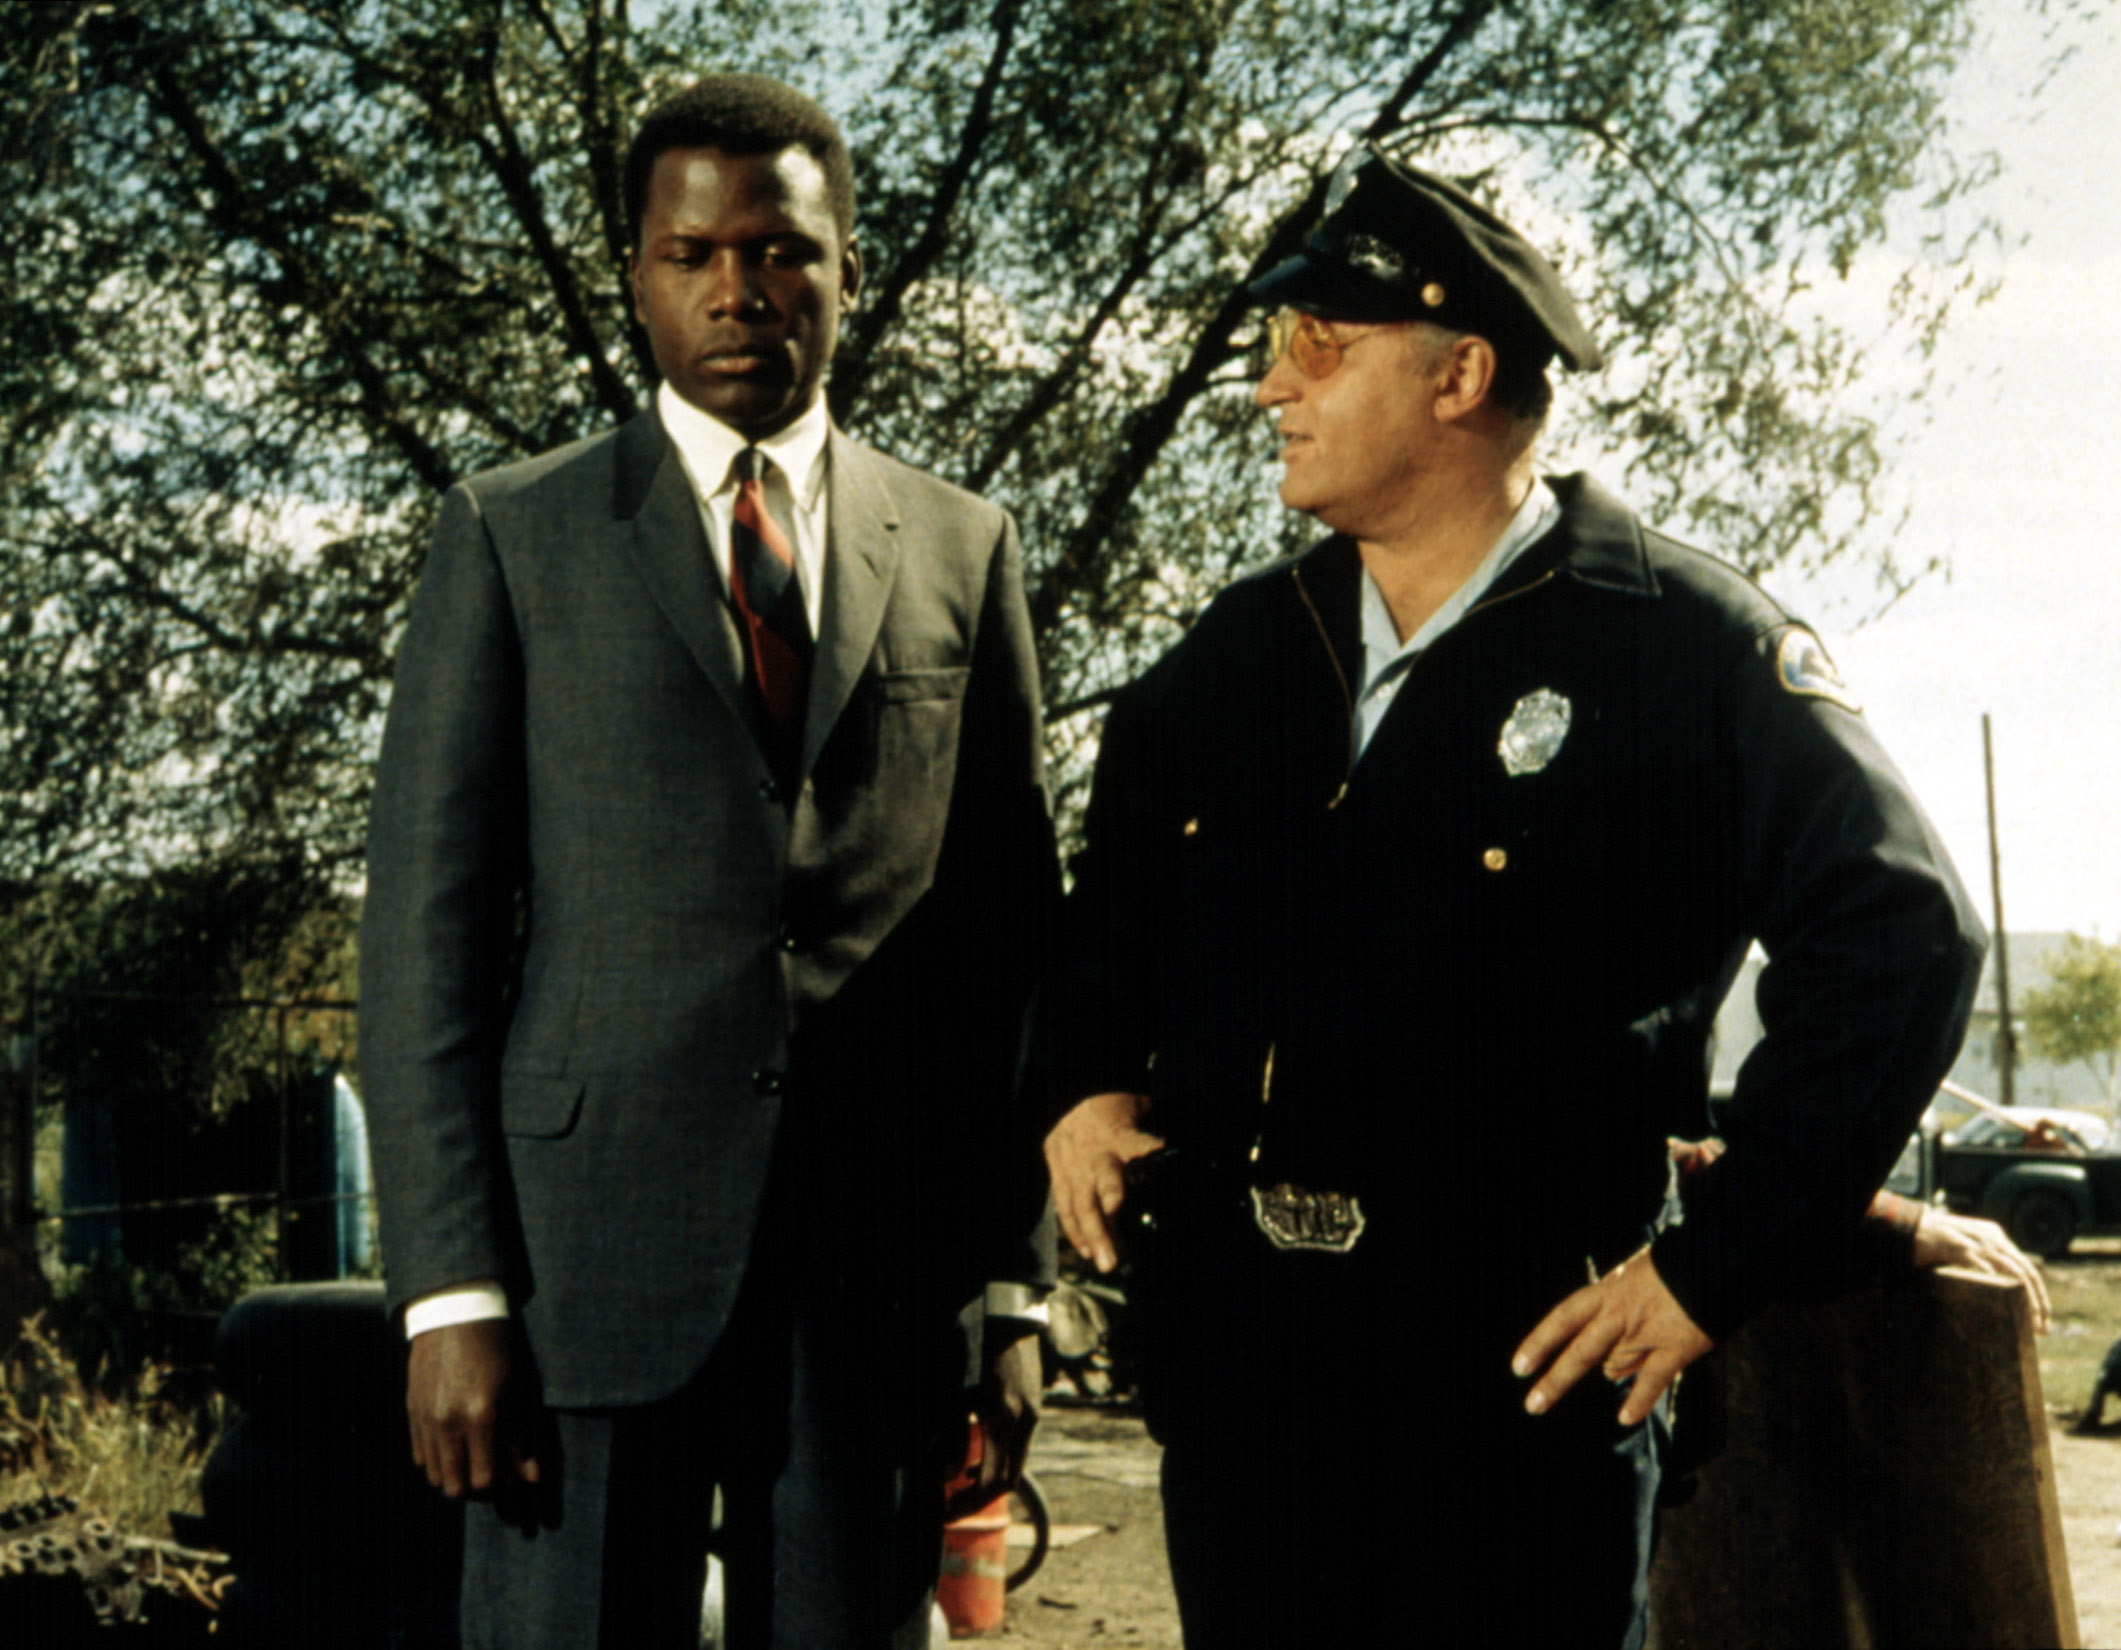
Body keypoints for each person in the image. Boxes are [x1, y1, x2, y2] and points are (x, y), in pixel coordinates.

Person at [1039, 144, 1987, 1647]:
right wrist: (1080, 1084)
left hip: (1515, 1405)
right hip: (1248, 1389)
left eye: (1315, 350)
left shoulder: (1679, 643)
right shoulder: (1232, 656)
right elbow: (1107, 917)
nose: (1268, 391)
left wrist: (1707, 1264)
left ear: (1458, 373)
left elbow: (1901, 931)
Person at [359, 74, 1057, 1650]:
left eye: (783, 252)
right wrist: (450, 1293)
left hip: (873, 1286)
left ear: (848, 269)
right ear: (639, 274)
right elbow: (424, 939)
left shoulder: (962, 547)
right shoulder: (510, 537)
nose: (741, 290)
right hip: (577, 1281)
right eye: (695, 254)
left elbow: (1009, 950)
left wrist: (1006, 1287)